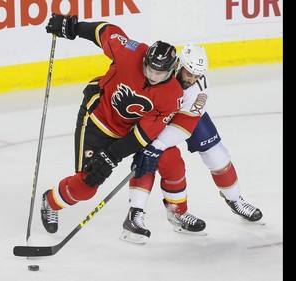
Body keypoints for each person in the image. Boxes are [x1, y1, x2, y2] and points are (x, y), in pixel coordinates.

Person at [40, 14, 184, 234]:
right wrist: (73, 27)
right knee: (87, 186)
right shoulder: (131, 52)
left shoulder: (173, 95)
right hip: (96, 117)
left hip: (126, 132)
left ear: (171, 70)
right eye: (150, 69)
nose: (153, 76)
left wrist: (111, 156)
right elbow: (105, 31)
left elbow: (143, 135)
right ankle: (50, 201)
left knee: (169, 157)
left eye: (160, 72)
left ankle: (171, 210)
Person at [119, 44, 263, 244]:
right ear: (178, 65)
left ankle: (236, 200)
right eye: (189, 73)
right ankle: (137, 214)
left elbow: (184, 125)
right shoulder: (160, 70)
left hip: (185, 117)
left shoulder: (199, 86)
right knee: (154, 162)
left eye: (196, 75)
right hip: (156, 116)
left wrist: (158, 145)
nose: (191, 80)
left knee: (217, 155)